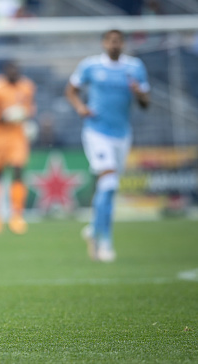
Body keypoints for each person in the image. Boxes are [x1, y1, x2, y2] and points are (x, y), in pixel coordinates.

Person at [65, 29, 150, 263]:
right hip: (96, 131)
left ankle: (93, 230)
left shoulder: (134, 68)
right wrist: (80, 108)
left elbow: (145, 103)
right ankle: (105, 243)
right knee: (109, 182)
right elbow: (71, 90)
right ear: (104, 43)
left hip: (122, 134)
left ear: (123, 44)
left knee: (109, 188)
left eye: (118, 41)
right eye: (110, 41)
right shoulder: (90, 66)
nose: (114, 45)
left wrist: (139, 94)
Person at [0, 61, 36, 235]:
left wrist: (23, 114)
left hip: (18, 136)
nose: (14, 74)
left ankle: (17, 215)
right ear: (5, 72)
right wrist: (2, 116)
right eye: (11, 71)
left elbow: (30, 107)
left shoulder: (27, 86)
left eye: (16, 71)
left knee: (18, 171)